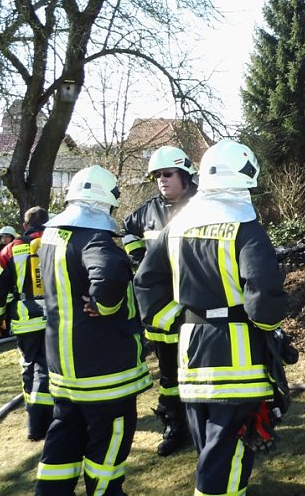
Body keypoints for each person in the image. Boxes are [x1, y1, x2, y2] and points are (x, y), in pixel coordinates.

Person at [135, 139, 289, 496]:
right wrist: (269, 330)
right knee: (229, 455)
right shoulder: (245, 225)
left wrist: (176, 321)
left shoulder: (178, 224)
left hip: (191, 356)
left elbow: (146, 281)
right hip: (238, 363)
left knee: (208, 446)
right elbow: (264, 292)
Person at [35, 165, 152, 496]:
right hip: (103, 371)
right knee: (109, 441)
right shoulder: (94, 237)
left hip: (64, 368)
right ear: (106, 201)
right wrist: (105, 303)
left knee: (64, 437)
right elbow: (111, 273)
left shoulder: (52, 236)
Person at [122, 145, 197, 456]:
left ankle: (205, 424)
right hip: (162, 312)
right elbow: (126, 230)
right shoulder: (147, 211)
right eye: (157, 176)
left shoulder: (202, 205)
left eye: (168, 174)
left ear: (184, 174)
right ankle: (174, 425)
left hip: (197, 308)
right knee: (169, 378)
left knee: (201, 371)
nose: (162, 181)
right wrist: (138, 256)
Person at [0, 207, 53, 440]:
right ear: (48, 222)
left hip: (26, 320)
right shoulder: (58, 242)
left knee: (32, 368)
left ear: (24, 226)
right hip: (58, 317)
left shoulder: (9, 250)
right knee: (56, 367)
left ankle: (36, 426)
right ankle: (58, 420)